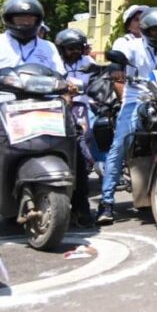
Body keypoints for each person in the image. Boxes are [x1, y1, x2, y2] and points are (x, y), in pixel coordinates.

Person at [0, 0, 66, 193]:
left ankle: (80, 205)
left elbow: (60, 73)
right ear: (8, 19)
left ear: (38, 20)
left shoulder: (48, 47)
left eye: (30, 18)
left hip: (42, 108)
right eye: (20, 18)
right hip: (0, 108)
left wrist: (70, 85)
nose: (25, 22)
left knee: (73, 144)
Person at [98, 7, 157, 224]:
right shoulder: (130, 45)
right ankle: (106, 202)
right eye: (155, 30)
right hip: (136, 98)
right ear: (145, 30)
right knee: (120, 144)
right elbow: (117, 62)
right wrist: (117, 71)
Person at [56, 28, 97, 228]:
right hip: (53, 109)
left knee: (83, 148)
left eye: (77, 48)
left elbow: (98, 82)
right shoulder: (52, 62)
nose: (74, 52)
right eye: (69, 48)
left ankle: (81, 209)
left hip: (82, 109)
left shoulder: (88, 64)